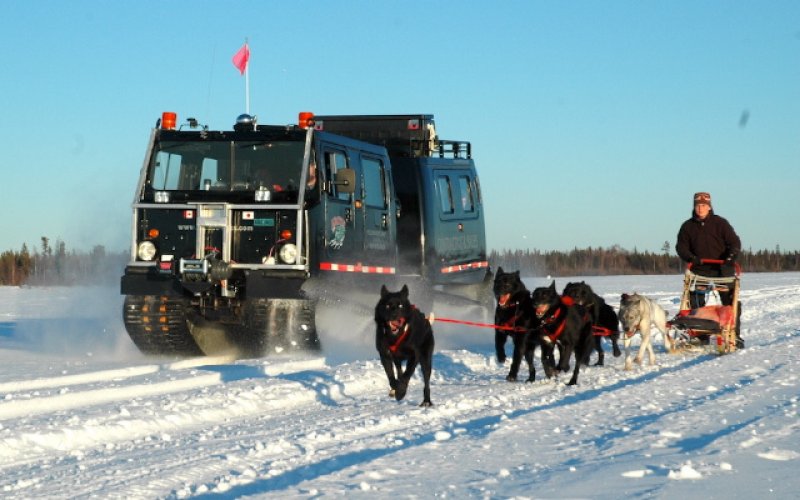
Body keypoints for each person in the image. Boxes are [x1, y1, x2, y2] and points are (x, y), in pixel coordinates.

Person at [676, 191, 743, 347]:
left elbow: (734, 243)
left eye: (704, 205)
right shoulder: (687, 226)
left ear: (709, 207)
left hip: (723, 270)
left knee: (731, 302)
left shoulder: (720, 223)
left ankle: (735, 335)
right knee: (695, 302)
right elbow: (681, 247)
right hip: (699, 269)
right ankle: (700, 334)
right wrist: (692, 258)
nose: (700, 208)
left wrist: (729, 258)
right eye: (698, 205)